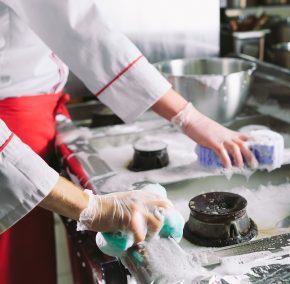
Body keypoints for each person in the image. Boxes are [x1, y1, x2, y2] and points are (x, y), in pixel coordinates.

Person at [0, 1, 255, 283]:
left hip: (32, 121)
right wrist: (93, 208)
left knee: (25, 263)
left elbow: (82, 30)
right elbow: (85, 31)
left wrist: (190, 118)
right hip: (11, 133)